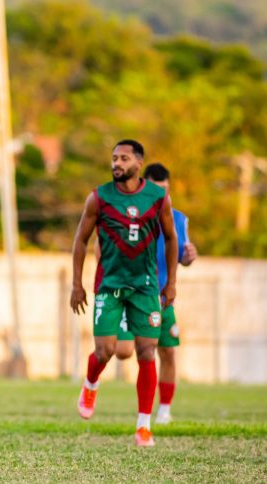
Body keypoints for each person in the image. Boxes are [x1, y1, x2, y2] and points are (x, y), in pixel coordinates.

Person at [70, 140, 178, 447]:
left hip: (145, 286)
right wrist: (77, 284)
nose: (117, 163)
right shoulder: (99, 197)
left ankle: (144, 425)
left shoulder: (158, 197)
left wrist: (170, 283)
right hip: (110, 285)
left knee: (147, 352)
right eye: (114, 158)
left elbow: (170, 239)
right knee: (105, 351)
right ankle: (91, 383)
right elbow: (81, 240)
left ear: (138, 163)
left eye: (124, 158)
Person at [111, 163, 197, 425]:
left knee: (168, 353)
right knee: (125, 351)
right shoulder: (130, 215)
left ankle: (164, 411)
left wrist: (188, 257)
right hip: (132, 294)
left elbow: (181, 254)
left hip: (162, 299)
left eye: (166, 191)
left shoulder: (179, 219)